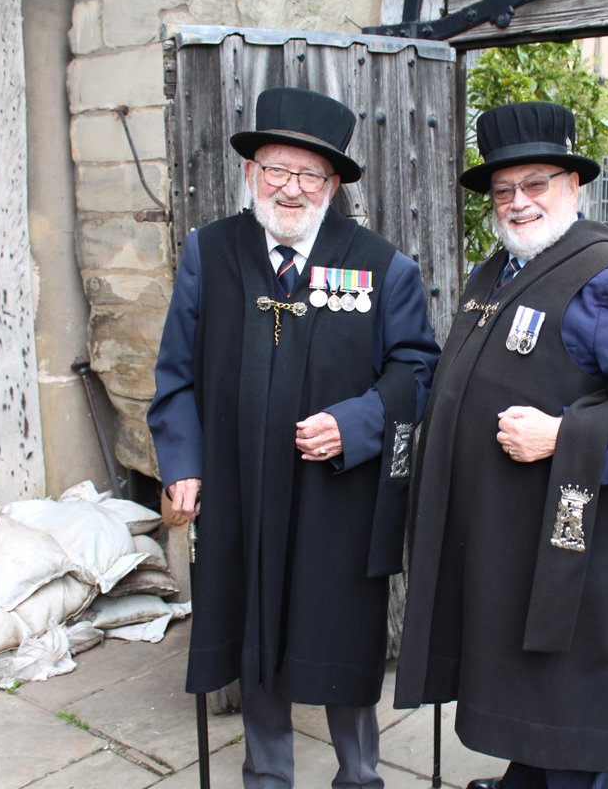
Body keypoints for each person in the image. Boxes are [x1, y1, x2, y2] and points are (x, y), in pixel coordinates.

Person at [394, 101, 608, 789]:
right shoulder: (493, 273)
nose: (518, 202)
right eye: (504, 190)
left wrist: (564, 436)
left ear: (573, 186)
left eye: (536, 184)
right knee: (528, 690)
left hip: (571, 546)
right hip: (508, 540)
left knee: (567, 702)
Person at [148, 86, 440, 789]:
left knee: (343, 643)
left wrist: (357, 422)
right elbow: (176, 374)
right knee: (254, 632)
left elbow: (417, 367)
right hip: (241, 488)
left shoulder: (381, 264)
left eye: (310, 175)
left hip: (335, 500)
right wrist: (182, 462)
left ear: (333, 185)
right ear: (251, 174)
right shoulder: (210, 253)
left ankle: (359, 774)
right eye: (276, 170)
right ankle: (266, 776)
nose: (291, 188)